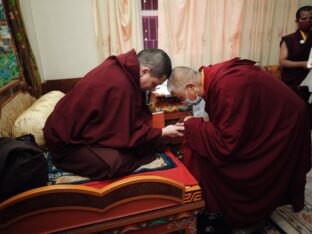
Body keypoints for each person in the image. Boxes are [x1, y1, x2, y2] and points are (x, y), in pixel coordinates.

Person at [167, 58, 311, 229]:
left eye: (180, 98)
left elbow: (227, 143)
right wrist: (197, 122)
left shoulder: (227, 85)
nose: (183, 103)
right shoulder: (211, 76)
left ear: (190, 87)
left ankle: (253, 207)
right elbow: (227, 119)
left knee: (263, 163)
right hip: (272, 113)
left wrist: (192, 124)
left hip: (286, 119)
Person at [43, 49, 184, 180]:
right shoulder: (120, 84)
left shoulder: (121, 69)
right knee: (113, 163)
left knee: (149, 143)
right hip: (65, 144)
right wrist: (162, 132)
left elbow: (121, 122)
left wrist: (158, 133)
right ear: (144, 71)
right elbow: (122, 134)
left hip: (80, 131)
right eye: (153, 83)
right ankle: (62, 160)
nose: (152, 88)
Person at [279, 5, 312, 88]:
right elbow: (282, 61)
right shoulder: (289, 39)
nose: (308, 21)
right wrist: (302, 64)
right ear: (297, 21)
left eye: (310, 18)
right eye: (304, 19)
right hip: (292, 80)